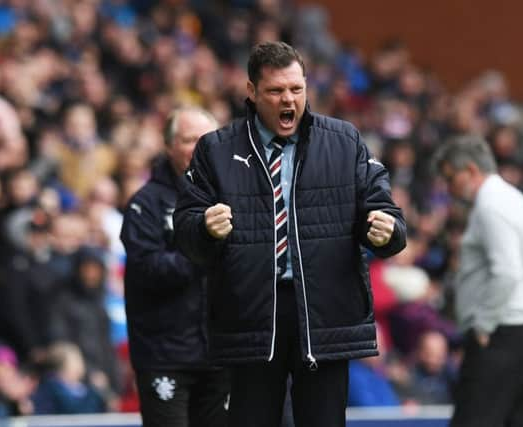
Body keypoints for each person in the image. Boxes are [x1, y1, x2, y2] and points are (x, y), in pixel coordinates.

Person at [173, 41, 406, 427]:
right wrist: (202, 228)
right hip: (250, 317)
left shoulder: (344, 142)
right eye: (276, 91)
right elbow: (186, 232)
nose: (289, 100)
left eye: (296, 89)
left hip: (323, 315)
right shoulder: (215, 150)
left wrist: (387, 232)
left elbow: (386, 214)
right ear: (251, 92)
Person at [120, 107, 229, 427]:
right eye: (189, 140)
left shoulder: (232, 196)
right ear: (169, 147)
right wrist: (203, 247)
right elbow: (147, 268)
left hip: (220, 352)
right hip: (164, 356)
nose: (199, 147)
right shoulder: (146, 204)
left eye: (206, 139)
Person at [433, 135, 523, 427]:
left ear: (471, 170)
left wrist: (484, 325)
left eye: (451, 178)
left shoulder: (491, 206)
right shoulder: (511, 198)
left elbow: (508, 271)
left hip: (501, 334)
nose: (449, 188)